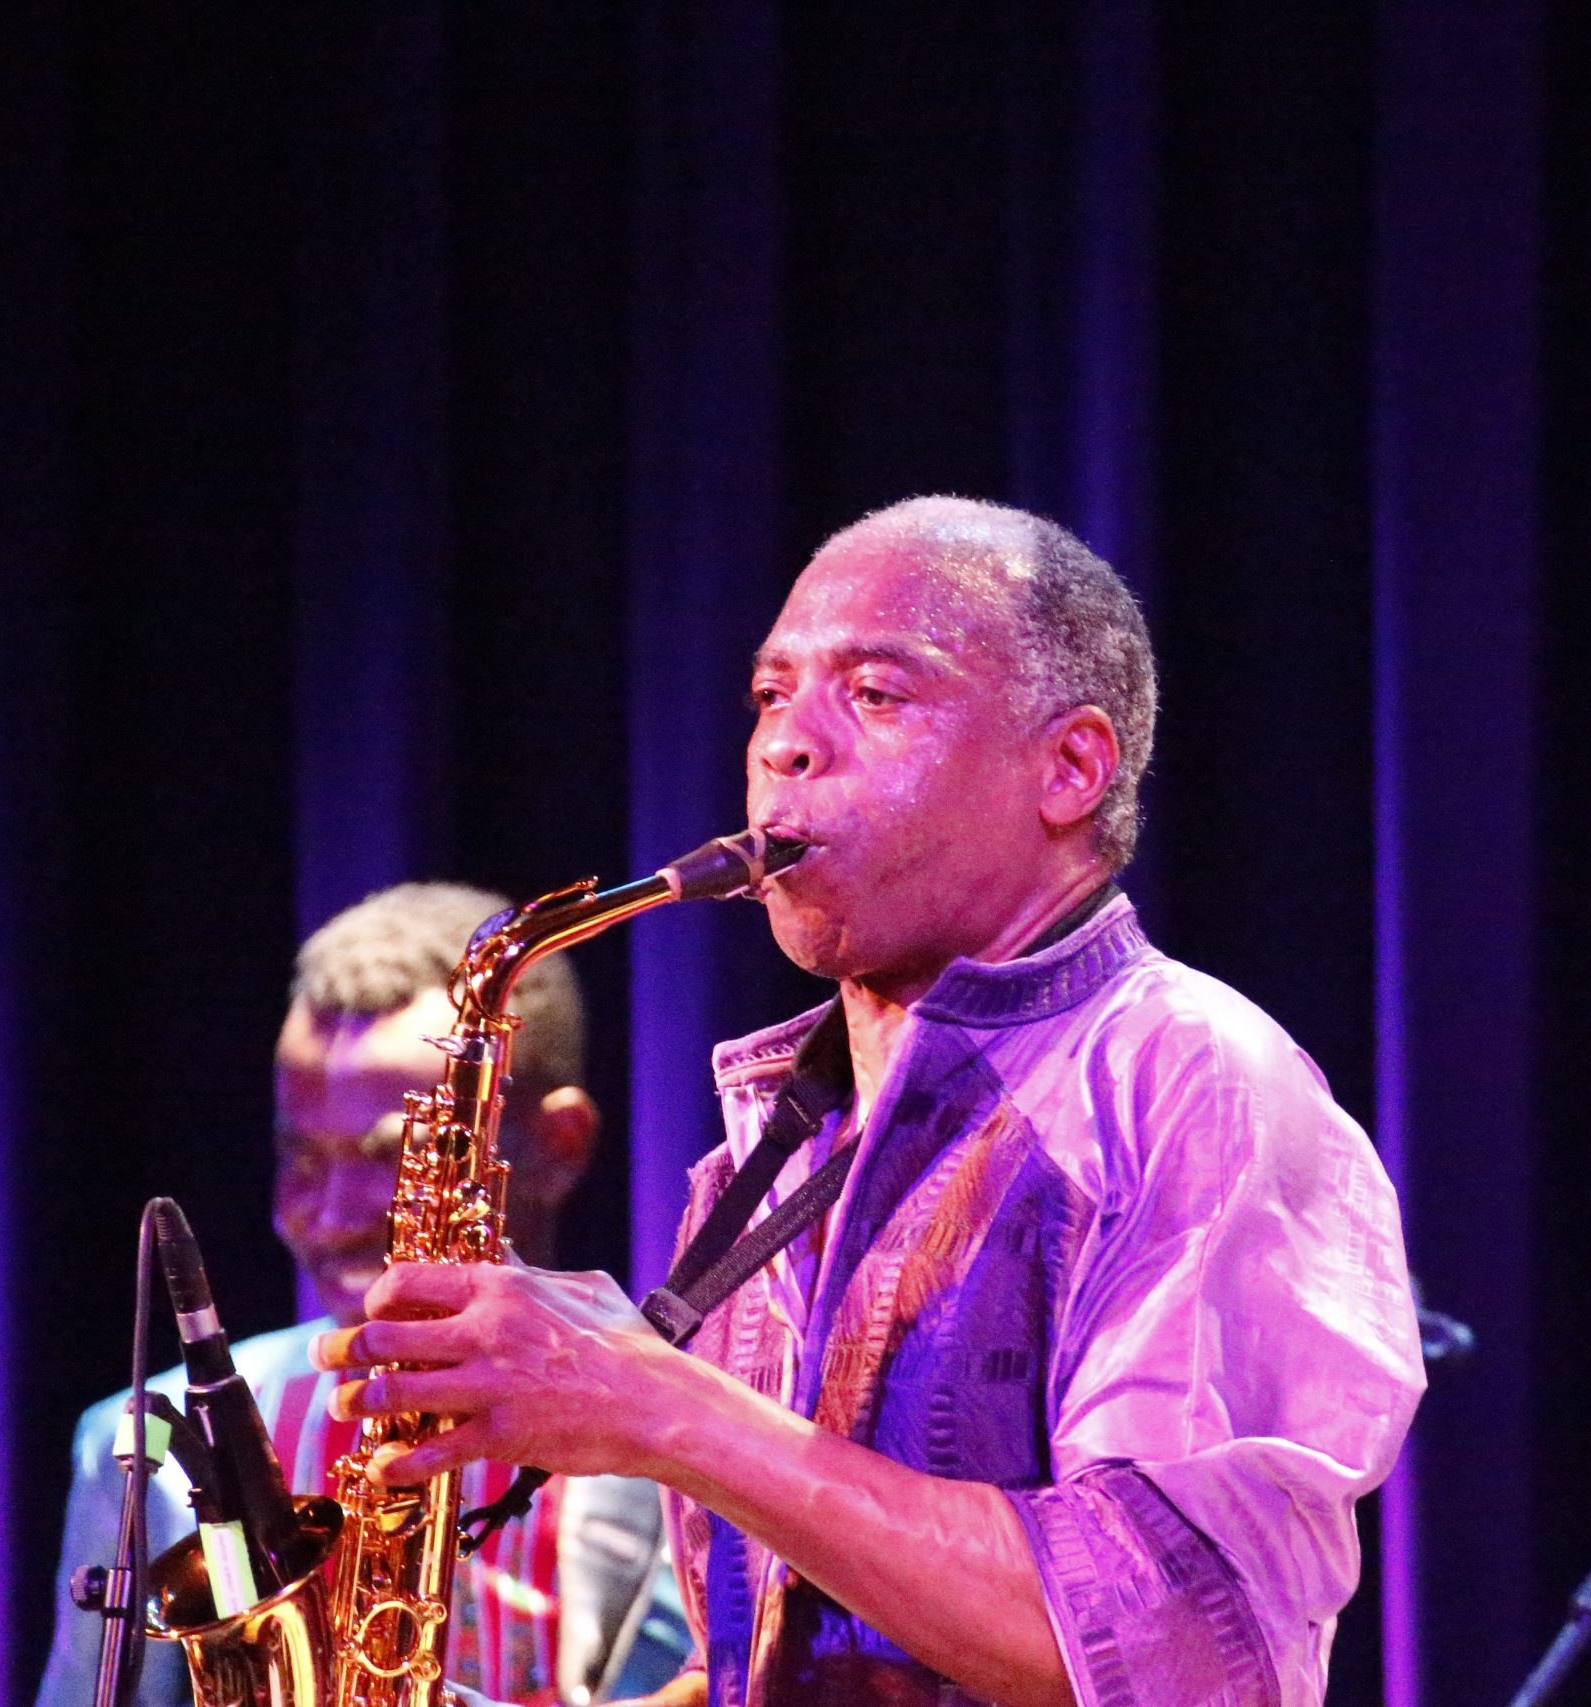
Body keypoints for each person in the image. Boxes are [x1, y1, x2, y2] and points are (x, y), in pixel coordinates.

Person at [313, 498, 1427, 1707]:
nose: (787, 746)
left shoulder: (1192, 1080)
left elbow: (1176, 1652)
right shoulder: (775, 1152)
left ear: (1068, 769)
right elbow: (789, 1659)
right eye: (770, 694)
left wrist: (655, 1403)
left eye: (876, 694)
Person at [35, 882, 691, 1707]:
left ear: (559, 1145)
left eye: (392, 1155)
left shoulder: (690, 1422)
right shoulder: (144, 1448)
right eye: (302, 1156)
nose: (332, 1216)